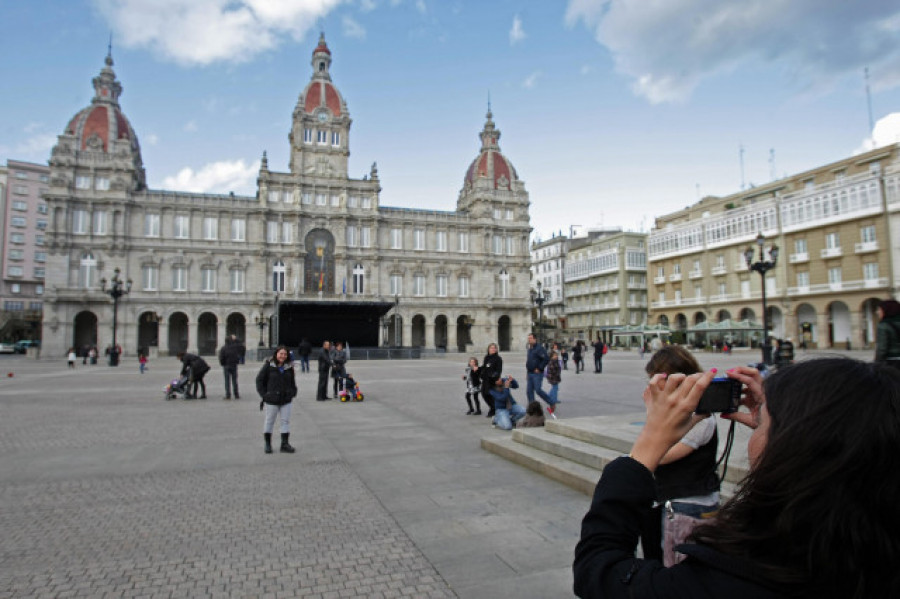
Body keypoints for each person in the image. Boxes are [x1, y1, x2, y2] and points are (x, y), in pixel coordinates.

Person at [574, 357, 900, 598]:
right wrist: (783, 415)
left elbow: (597, 571)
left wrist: (647, 445)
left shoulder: (727, 584)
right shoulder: (872, 556)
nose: (756, 429)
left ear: (793, 450)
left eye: (765, 424)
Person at [640, 346, 720, 566]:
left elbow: (661, 455)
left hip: (689, 507)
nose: (653, 387)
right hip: (670, 502)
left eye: (658, 381)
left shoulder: (701, 417)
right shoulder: (678, 414)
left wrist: (653, 415)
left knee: (677, 569)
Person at [255, 345, 298, 454]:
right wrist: (264, 395)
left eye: (285, 354)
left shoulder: (289, 367)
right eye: (281, 354)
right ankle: (268, 444)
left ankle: (284, 444)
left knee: (285, 421)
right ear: (276, 354)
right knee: (269, 421)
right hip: (272, 399)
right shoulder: (268, 366)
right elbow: (259, 380)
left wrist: (293, 392)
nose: (283, 356)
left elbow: (292, 381)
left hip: (286, 399)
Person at [525, 333, 552, 405]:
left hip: (537, 373)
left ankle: (551, 402)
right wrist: (527, 372)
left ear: (535, 339)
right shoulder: (530, 349)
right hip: (530, 373)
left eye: (530, 338)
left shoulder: (539, 348)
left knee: (538, 390)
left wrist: (539, 368)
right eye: (528, 338)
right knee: (529, 391)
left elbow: (546, 359)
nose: (529, 340)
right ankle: (532, 406)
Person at [875, 299, 900, 370]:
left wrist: (876, 364)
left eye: (879, 310)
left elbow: (882, 349)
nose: (877, 312)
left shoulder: (883, 325)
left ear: (886, 310)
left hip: (892, 362)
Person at [481, 343, 503, 418]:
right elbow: (484, 367)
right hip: (485, 379)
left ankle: (493, 409)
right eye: (491, 348)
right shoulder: (486, 357)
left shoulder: (498, 358)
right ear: (488, 349)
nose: (493, 349)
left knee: (490, 394)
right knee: (484, 394)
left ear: (496, 349)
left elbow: (499, 370)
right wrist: (479, 371)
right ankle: (493, 407)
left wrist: (494, 376)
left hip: (492, 380)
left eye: (494, 348)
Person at [219, 335, 244, 400]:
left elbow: (221, 357)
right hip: (234, 365)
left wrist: (223, 364)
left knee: (227, 381)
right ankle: (236, 394)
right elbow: (242, 346)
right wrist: (236, 339)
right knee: (234, 380)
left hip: (226, 365)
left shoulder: (223, 348)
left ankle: (228, 395)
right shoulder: (235, 347)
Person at [545, 349, 561, 418]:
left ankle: (547, 397)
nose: (556, 356)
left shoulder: (556, 361)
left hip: (555, 377)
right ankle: (552, 402)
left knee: (554, 388)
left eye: (556, 355)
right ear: (551, 357)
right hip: (553, 377)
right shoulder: (552, 362)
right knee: (555, 388)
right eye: (554, 356)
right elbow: (552, 371)